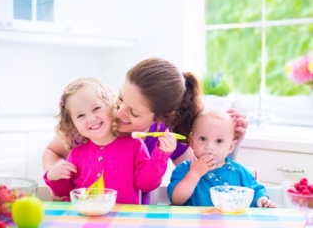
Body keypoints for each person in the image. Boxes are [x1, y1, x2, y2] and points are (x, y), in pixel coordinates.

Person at [42, 58, 249, 203]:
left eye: (133, 112)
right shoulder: (94, 122)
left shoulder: (162, 135)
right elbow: (52, 151)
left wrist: (233, 147)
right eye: (121, 98)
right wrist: (60, 176)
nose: (119, 112)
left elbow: (205, 176)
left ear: (160, 119)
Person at [44, 77, 176, 204]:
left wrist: (161, 155)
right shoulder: (76, 154)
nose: (91, 119)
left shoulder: (134, 145)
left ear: (111, 106)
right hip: (83, 219)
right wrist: (53, 177)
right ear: (72, 124)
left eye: (96, 108)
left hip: (122, 220)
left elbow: (147, 184)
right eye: (80, 115)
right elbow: (64, 192)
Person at [167, 107, 275, 208]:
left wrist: (261, 200)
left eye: (219, 141)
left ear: (231, 147)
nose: (210, 147)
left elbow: (256, 191)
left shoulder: (239, 171)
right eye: (203, 138)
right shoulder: (185, 169)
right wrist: (194, 174)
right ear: (191, 141)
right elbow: (176, 200)